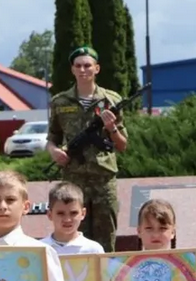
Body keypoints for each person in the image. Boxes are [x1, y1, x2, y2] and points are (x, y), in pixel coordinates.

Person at [46, 45, 128, 253]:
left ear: (97, 68)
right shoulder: (60, 102)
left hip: (103, 178)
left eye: (87, 66)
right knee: (72, 236)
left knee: (106, 235)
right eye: (78, 66)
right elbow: (52, 138)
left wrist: (111, 128)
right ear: (72, 70)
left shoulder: (111, 100)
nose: (83, 70)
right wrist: (55, 152)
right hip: (74, 178)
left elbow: (122, 144)